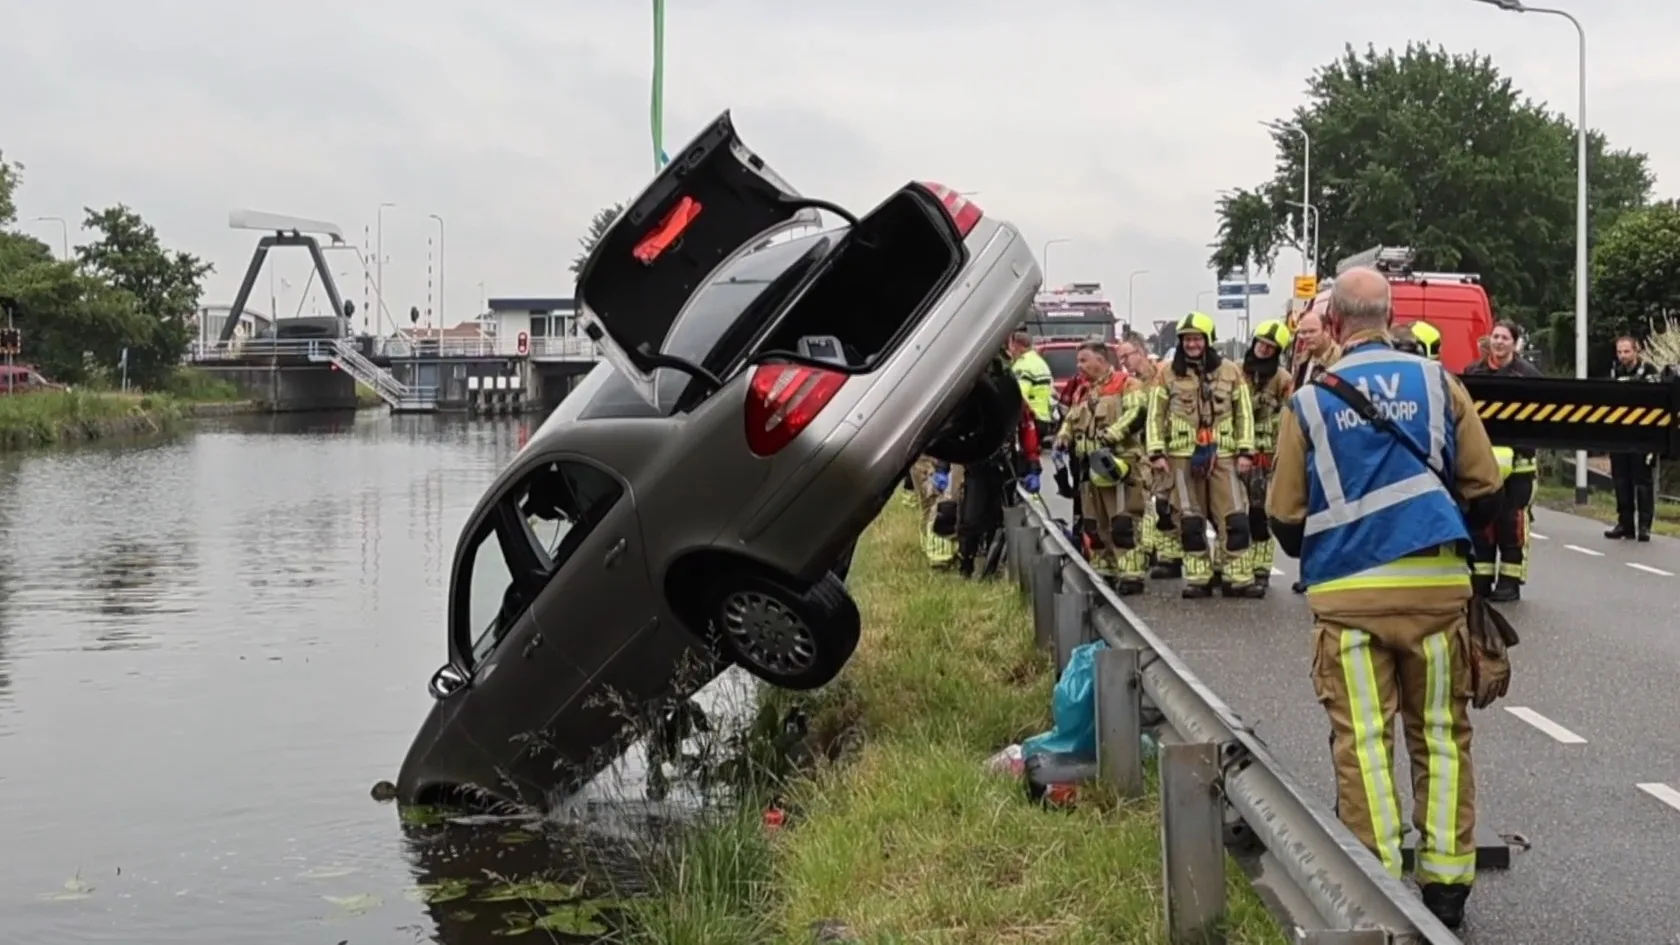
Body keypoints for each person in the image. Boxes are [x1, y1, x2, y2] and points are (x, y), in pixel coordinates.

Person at [1265, 266, 1504, 930]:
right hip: (1435, 595)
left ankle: (1377, 884)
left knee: (1364, 740)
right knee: (1442, 737)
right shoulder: (1439, 382)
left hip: (1348, 600)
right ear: (1393, 318)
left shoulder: (1309, 402)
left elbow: (1284, 520)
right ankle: (1448, 884)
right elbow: (1486, 490)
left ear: (1334, 325)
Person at [1146, 312, 1261, 598]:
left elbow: (1244, 413)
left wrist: (1246, 451)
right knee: (1190, 522)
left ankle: (1239, 578)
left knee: (1234, 518)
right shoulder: (1166, 373)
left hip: (1224, 455)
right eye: (1186, 339)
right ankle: (1199, 578)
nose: (1191, 344)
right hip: (1181, 457)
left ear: (1208, 340)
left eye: (1197, 338)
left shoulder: (1231, 371)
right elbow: (1154, 416)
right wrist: (1156, 452)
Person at [1462, 321, 1543, 601]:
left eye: (1505, 338)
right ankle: (1481, 580)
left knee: (1511, 522)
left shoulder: (1528, 376)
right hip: (1483, 461)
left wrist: (1521, 447)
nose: (1498, 342)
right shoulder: (1474, 372)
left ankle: (1509, 581)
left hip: (1519, 465)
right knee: (1482, 520)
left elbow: (1538, 419)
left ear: (1514, 343)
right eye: (1495, 337)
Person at [1052, 342, 1141, 590]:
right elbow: (1071, 419)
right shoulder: (1083, 391)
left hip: (1118, 464)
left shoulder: (1126, 384)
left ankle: (1131, 573)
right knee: (1094, 524)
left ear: (1100, 361)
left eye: (1083, 360)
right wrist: (1063, 436)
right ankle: (1105, 569)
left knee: (1122, 521)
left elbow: (1137, 412)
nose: (1078, 365)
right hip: (1088, 467)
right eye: (1078, 361)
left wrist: (1113, 434)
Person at [955, 398, 1042, 577]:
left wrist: (1032, 464)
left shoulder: (1014, 400)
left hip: (1005, 466)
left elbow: (1027, 430)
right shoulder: (970, 400)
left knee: (998, 518)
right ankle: (966, 564)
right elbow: (953, 432)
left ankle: (992, 567)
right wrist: (942, 466)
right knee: (971, 518)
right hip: (976, 466)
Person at [1241, 319, 1295, 593]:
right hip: (1235, 450)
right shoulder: (1237, 373)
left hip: (1264, 454)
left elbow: (1287, 417)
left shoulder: (1284, 380)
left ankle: (1261, 568)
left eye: (1270, 347)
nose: (1263, 349)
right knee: (1231, 513)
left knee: (1259, 514)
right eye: (1261, 343)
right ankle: (1233, 565)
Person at [1114, 338, 1167, 570]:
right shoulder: (1130, 384)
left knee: (1170, 502)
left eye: (1127, 356)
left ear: (1142, 351)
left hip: (1170, 445)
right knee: (1146, 499)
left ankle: (1166, 551)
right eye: (1120, 359)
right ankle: (1150, 549)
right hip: (1144, 448)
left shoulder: (1164, 373)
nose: (1124, 363)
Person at [1605, 335, 1661, 542]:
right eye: (1619, 352)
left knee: (1642, 482)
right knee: (1621, 480)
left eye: (1626, 351)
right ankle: (1625, 524)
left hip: (1642, 436)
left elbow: (1655, 402)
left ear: (1636, 351)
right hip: (1619, 435)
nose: (1622, 356)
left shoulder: (1649, 372)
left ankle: (1644, 526)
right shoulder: (1614, 371)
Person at [1007, 331, 1057, 444]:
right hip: (1044, 417)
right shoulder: (1040, 362)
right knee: (1033, 456)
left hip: (1030, 420)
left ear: (1017, 345)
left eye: (1010, 346)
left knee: (1027, 458)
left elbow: (1019, 395)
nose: (1010, 350)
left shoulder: (1022, 365)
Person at [1289, 310, 1343, 391]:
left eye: (1312, 331)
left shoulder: (1340, 358)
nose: (1307, 336)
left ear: (1327, 330)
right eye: (1303, 332)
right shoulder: (1301, 360)